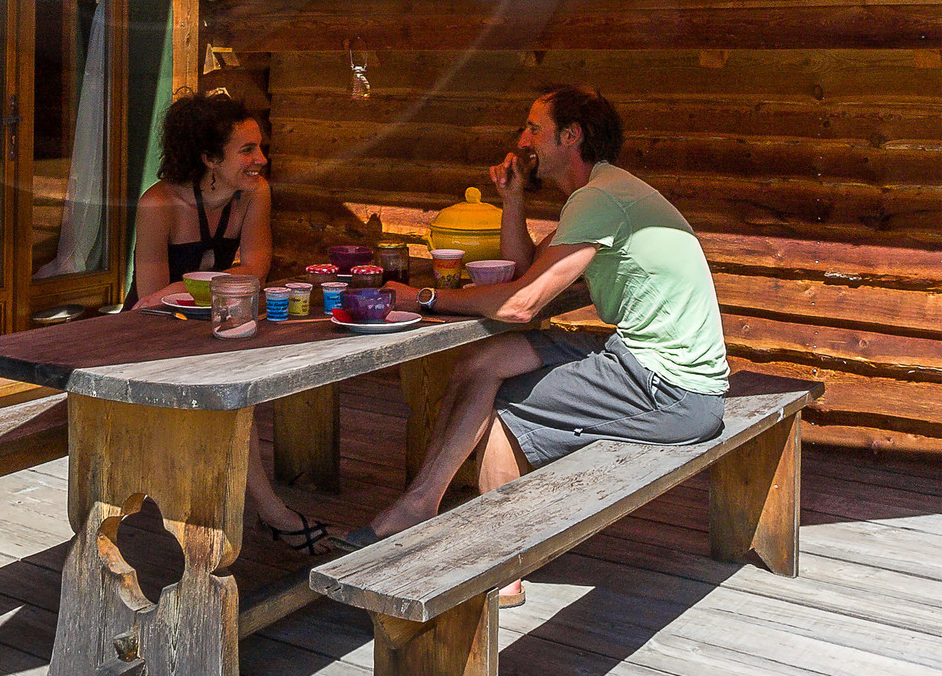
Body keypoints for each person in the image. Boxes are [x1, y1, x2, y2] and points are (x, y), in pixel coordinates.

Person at [363, 85, 728, 602]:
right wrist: (512, 199)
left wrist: (423, 297)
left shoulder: (599, 197)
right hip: (644, 362)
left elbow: (519, 304)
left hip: (672, 390)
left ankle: (499, 566)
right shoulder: (603, 193)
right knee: (484, 362)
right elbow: (527, 272)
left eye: (534, 128)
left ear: (571, 135)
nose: (523, 139)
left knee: (496, 400)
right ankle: (420, 505)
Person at [132, 92, 336, 556]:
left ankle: (256, 512)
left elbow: (259, 267)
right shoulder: (158, 204)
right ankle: (271, 513)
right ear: (208, 159)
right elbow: (150, 297)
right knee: (229, 397)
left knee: (247, 383)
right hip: (152, 335)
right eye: (247, 150)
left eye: (260, 148)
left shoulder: (254, 194)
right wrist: (228, 282)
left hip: (213, 324)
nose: (260, 160)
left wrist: (209, 286)